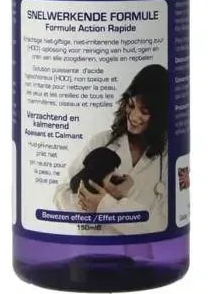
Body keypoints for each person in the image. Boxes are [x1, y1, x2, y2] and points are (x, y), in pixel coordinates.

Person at [53, 64, 169, 235]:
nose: (134, 116)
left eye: (144, 111)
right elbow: (60, 195)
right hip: (91, 248)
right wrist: (93, 199)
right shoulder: (102, 141)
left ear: (159, 116)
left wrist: (105, 205)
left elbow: (162, 224)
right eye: (131, 105)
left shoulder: (167, 157)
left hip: (145, 250)